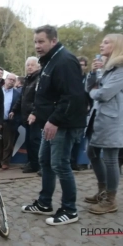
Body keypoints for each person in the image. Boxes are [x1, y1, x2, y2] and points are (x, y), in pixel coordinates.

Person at [21, 25, 87, 226]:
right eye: (35, 42)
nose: (37, 46)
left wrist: (54, 120)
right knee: (45, 161)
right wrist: (38, 113)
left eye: (41, 41)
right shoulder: (50, 61)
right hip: (50, 121)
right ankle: (44, 203)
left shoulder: (65, 61)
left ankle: (69, 209)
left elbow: (72, 96)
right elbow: (48, 94)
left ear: (53, 41)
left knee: (60, 164)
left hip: (62, 124)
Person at [84, 33, 123, 214]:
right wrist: (93, 73)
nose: (101, 45)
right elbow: (89, 88)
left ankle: (110, 199)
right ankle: (102, 190)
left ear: (116, 46)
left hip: (111, 121)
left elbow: (102, 94)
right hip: (97, 118)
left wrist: (94, 91)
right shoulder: (109, 68)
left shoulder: (121, 69)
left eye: (106, 42)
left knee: (110, 159)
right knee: (91, 152)